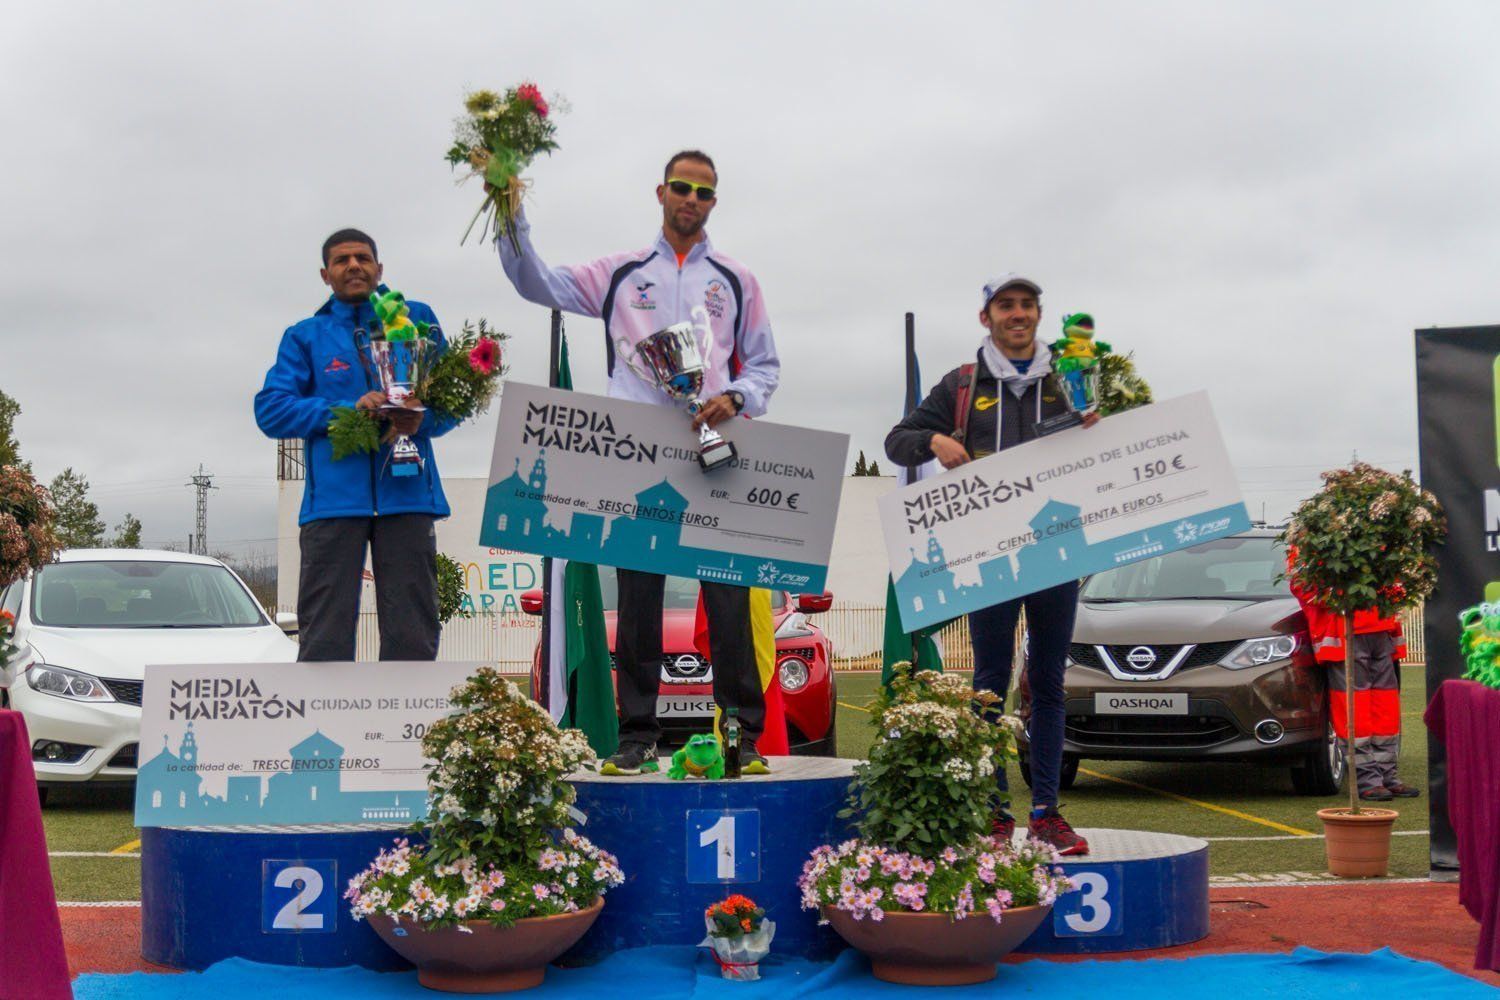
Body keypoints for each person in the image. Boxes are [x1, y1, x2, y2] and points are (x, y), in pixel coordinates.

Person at [496, 150, 780, 776]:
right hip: (639, 454)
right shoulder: (621, 273)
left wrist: (735, 396)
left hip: (716, 452)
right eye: (682, 188)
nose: (692, 200)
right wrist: (507, 212)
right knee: (640, 596)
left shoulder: (736, 280)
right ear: (661, 192)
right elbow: (534, 282)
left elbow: (764, 366)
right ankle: (636, 737)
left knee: (728, 599)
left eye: (704, 192)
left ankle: (741, 736)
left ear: (713, 202)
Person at [883, 274, 1095, 855]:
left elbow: (1115, 444)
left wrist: (1099, 425)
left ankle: (1048, 813)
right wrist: (934, 444)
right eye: (1006, 305)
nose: (1018, 313)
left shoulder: (1071, 379)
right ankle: (995, 813)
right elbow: (897, 439)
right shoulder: (961, 384)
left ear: (1038, 314)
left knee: (1049, 684)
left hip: (1055, 548)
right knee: (989, 686)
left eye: (1027, 304)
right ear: (987, 317)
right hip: (988, 558)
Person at [255, 228, 456, 662]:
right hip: (332, 506)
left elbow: (454, 406)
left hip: (408, 498)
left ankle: (409, 730)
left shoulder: (416, 320)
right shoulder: (305, 336)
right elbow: (271, 411)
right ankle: (323, 728)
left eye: (362, 258)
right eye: (342, 260)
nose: (354, 266)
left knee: (413, 638)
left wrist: (417, 418)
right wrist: (349, 411)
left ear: (379, 268)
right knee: (324, 640)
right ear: (325, 274)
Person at [1286, 551, 1417, 801]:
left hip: (1381, 630)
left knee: (1385, 710)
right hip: (1345, 635)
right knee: (1354, 711)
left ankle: (1388, 776)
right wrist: (1346, 594)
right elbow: (1302, 584)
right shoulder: (1314, 538)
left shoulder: (1374, 533)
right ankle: (1368, 778)